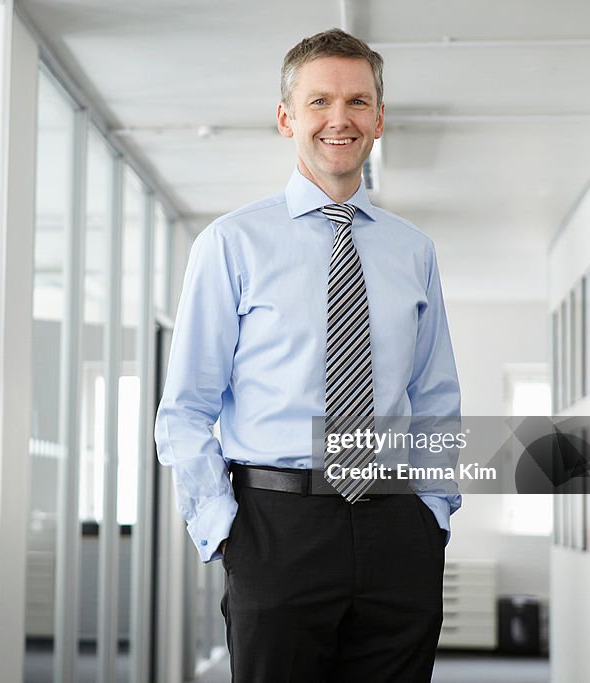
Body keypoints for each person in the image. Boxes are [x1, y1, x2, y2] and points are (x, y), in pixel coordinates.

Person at [154, 28, 461, 682]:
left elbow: (437, 401)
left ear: (379, 118)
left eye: (357, 102)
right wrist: (227, 532)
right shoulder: (231, 244)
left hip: (399, 526)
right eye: (319, 101)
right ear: (286, 117)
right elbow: (184, 410)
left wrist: (433, 517)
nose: (339, 119)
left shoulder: (414, 252)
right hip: (276, 528)